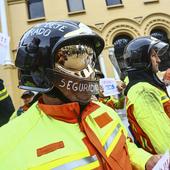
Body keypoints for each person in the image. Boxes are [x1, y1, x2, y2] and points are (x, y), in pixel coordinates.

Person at [0, 21, 161, 170]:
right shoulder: (7, 142)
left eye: (90, 58)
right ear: (41, 71)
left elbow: (125, 145)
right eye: (75, 59)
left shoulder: (104, 111)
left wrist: (145, 159)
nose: (89, 72)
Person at [124, 36, 170, 154]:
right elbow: (163, 141)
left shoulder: (147, 86)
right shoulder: (143, 91)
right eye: (154, 56)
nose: (159, 60)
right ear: (142, 60)